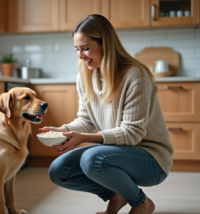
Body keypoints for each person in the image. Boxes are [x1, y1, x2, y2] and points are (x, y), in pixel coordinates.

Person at [38, 14, 174, 214]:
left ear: (106, 44)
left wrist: (84, 138)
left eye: (85, 48)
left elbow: (132, 134)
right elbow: (85, 119)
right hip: (115, 153)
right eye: (77, 49)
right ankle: (118, 195)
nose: (80, 55)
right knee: (59, 171)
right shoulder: (85, 74)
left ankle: (141, 203)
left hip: (151, 159)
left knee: (92, 159)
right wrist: (63, 130)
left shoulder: (136, 76)